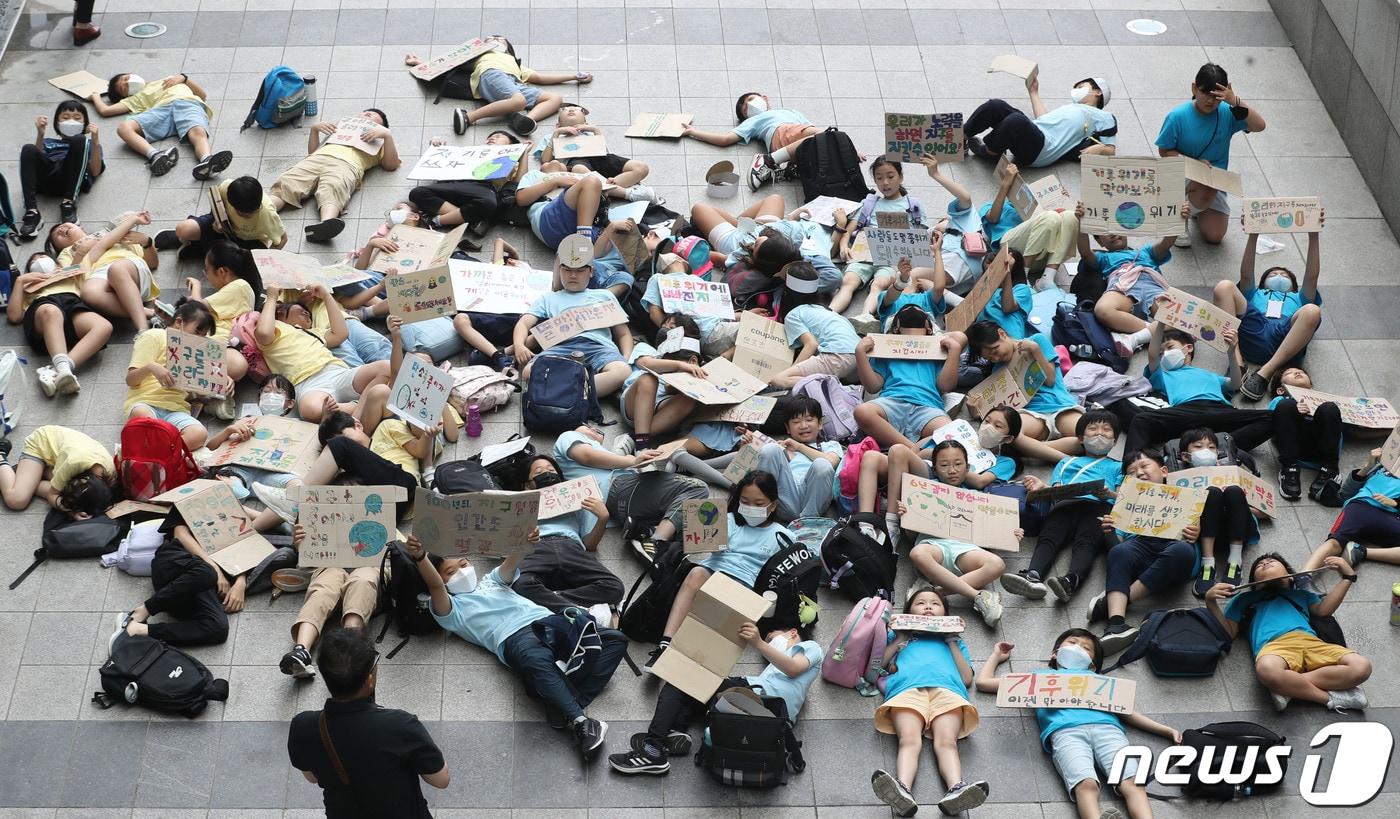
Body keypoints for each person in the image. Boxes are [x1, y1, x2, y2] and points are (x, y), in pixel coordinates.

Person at [405, 533, 625, 760]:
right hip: (515, 637)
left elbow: (512, 561)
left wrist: (526, 540)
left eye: (464, 564)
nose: (462, 572)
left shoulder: (491, 581)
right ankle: (582, 723)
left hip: (551, 621)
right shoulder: (452, 610)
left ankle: (564, 702)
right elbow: (434, 586)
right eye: (451, 572)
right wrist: (421, 557)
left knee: (616, 640)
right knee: (535, 660)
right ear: (442, 580)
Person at [975, 631, 1179, 819]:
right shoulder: (1040, 678)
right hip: (1066, 733)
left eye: (1086, 648)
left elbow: (1128, 713)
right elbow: (984, 683)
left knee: (1133, 782)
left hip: (1108, 730)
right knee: (1086, 784)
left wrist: (1166, 730)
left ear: (1092, 663)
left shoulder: (1099, 680)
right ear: (1055, 653)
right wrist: (996, 656)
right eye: (1072, 643)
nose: (1078, 648)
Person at [610, 620, 822, 776]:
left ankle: (653, 749)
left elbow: (794, 668)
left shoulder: (812, 648)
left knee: (680, 675)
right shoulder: (772, 672)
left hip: (759, 705)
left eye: (771, 637)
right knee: (692, 690)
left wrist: (759, 642)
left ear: (793, 633)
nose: (768, 641)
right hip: (750, 704)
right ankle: (674, 732)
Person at [288, 628, 449, 818]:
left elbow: (312, 777)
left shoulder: (303, 726)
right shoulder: (400, 725)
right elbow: (441, 779)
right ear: (369, 681)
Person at [643, 471, 792, 671]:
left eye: (758, 504)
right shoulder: (726, 519)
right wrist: (702, 537)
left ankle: (694, 658)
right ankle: (665, 644)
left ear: (772, 505)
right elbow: (700, 542)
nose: (750, 508)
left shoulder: (783, 536)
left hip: (745, 588)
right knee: (696, 573)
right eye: (745, 502)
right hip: (713, 574)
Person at [870, 586, 989, 817]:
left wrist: (951, 640)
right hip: (907, 689)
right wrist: (900, 637)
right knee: (908, 739)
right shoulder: (898, 636)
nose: (927, 607)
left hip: (947, 691)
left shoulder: (955, 642)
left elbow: (966, 678)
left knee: (947, 742)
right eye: (920, 603)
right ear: (909, 610)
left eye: (935, 603)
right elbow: (876, 668)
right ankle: (902, 789)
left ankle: (956, 789)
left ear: (945, 612)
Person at [1209, 553, 1370, 713]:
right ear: (1255, 583)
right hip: (1274, 647)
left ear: (1291, 577)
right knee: (1266, 669)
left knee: (1361, 666)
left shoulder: (1302, 595)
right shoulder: (1244, 599)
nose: (1265, 563)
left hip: (1311, 642)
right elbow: (1229, 633)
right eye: (1259, 565)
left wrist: (1348, 576)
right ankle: (1329, 699)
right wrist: (1211, 602)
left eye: (1272, 561)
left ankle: (1286, 687)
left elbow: (1324, 611)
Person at [1088, 449, 1202, 655]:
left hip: (1174, 553)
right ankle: (1116, 624)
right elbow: (1118, 548)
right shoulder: (1125, 505)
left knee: (1182, 550)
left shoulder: (1186, 498)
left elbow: (1193, 533)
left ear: (1164, 470)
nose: (1138, 472)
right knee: (1120, 552)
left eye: (1144, 466)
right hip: (1139, 551)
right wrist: (1110, 531)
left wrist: (1194, 532)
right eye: (1131, 472)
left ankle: (1113, 602)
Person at [1007, 410, 1125, 603]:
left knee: (1087, 543)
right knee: (1049, 536)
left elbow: (1122, 496)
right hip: (1066, 503)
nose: (1100, 434)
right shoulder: (1065, 461)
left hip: (1100, 505)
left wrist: (1109, 494)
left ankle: (1071, 580)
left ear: (1115, 439)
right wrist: (1041, 488)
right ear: (1080, 437)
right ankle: (1032, 575)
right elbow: (1057, 489)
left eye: (1106, 430)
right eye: (1093, 429)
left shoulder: (1119, 467)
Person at [551, 423, 710, 563]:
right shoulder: (568, 436)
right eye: (586, 426)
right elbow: (587, 455)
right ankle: (655, 541)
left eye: (598, 430)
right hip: (620, 487)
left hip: (624, 506)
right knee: (698, 488)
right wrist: (632, 461)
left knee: (690, 515)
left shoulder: (603, 459)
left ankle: (645, 532)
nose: (593, 428)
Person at [1120, 323, 1273, 459]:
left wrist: (1232, 352)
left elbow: (1235, 384)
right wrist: (1161, 321)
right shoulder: (1162, 374)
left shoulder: (1211, 376)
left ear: (1189, 348)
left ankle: (1223, 449)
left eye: (1169, 347)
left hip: (1220, 410)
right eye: (1161, 352)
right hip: (1186, 410)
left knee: (1271, 417)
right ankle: (1131, 468)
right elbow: (1152, 355)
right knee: (1141, 420)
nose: (1164, 354)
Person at [1155, 63, 1266, 246]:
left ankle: (1193, 208)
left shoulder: (1227, 112)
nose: (1210, 101)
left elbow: (1259, 126)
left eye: (1216, 97)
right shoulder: (1177, 116)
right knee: (1206, 184)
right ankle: (1179, 217)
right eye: (1205, 93)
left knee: (1215, 236)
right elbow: (1164, 151)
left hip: (1215, 181)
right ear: (1194, 88)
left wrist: (1235, 101)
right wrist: (1193, 165)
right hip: (1183, 175)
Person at [901, 441, 1010, 627]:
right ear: (934, 469)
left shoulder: (977, 496)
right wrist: (906, 516)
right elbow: (911, 534)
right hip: (933, 546)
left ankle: (934, 592)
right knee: (917, 553)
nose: (952, 470)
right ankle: (978, 596)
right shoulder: (923, 489)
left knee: (997, 564)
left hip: (965, 549)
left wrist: (1010, 533)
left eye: (958, 464)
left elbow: (992, 535)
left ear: (967, 467)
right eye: (944, 465)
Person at [1214, 219, 1324, 401]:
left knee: (1312, 310)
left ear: (1293, 285)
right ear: (1263, 282)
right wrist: (1253, 234)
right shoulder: (1255, 293)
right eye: (1273, 274)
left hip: (1284, 336)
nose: (1279, 276)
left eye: (1284, 275)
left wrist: (1314, 236)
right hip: (1253, 328)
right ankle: (1237, 363)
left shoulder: (1299, 298)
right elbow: (1246, 275)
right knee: (1223, 287)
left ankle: (1265, 373)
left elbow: (1312, 276)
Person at [514, 236, 633, 398]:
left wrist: (625, 358)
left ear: (591, 271)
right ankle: (579, 388)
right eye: (567, 270)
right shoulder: (548, 298)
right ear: (560, 270)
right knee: (529, 371)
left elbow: (624, 333)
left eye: (579, 270)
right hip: (560, 346)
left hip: (598, 347)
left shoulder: (604, 295)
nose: (573, 275)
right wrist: (519, 345)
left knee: (623, 371)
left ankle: (566, 390)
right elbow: (523, 323)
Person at [253, 285, 392, 423]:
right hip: (307, 383)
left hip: (337, 372)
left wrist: (326, 296)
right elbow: (264, 331)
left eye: (308, 313)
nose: (307, 313)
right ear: (281, 312)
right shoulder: (275, 331)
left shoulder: (314, 332)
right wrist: (272, 297)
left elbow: (341, 333)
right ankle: (356, 407)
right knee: (310, 410)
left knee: (386, 368)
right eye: (301, 310)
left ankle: (355, 409)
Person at [511, 454, 624, 617]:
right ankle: (566, 606)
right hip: (536, 547)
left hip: (571, 547)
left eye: (551, 470)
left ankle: (554, 599)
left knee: (614, 587)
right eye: (539, 471)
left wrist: (603, 518)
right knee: (519, 584)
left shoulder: (577, 500)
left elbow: (590, 545)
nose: (547, 473)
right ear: (527, 484)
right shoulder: (519, 505)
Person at [1073, 201, 1186, 357]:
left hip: (1153, 287)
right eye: (1106, 232)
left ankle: (1136, 338)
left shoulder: (1146, 252)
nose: (1113, 234)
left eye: (1116, 228)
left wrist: (1179, 219)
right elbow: (1085, 252)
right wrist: (1081, 223)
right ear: (1099, 241)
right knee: (1102, 310)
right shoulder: (1103, 258)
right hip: (1122, 287)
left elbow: (1166, 243)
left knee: (1180, 320)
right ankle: (1153, 330)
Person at [269, 109, 401, 242]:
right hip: (316, 159)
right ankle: (263, 208)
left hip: (346, 165)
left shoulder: (381, 142)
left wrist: (387, 136)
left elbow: (391, 165)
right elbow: (312, 152)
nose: (368, 113)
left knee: (334, 186)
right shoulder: (340, 129)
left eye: (374, 115)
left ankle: (327, 223)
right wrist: (314, 130)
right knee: (288, 181)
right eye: (365, 112)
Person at [420, 36, 591, 136]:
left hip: (512, 82)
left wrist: (574, 77)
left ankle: (527, 120)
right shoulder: (483, 55)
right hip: (491, 74)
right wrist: (419, 63)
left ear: (508, 49)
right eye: (490, 39)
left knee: (554, 98)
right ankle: (469, 117)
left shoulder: (514, 62)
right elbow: (450, 63)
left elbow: (539, 77)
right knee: (519, 101)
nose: (493, 40)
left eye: (498, 40)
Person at [829, 157, 928, 319]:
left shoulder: (913, 205)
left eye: (890, 176)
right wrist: (844, 246)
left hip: (891, 259)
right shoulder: (869, 203)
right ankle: (829, 313)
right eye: (879, 178)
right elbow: (849, 229)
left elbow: (921, 237)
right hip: (863, 254)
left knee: (879, 284)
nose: (885, 183)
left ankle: (865, 316)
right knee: (848, 280)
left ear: (901, 177)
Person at [853, 305, 960, 450]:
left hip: (927, 408)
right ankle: (912, 448)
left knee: (953, 433)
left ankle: (910, 448)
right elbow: (873, 386)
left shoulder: (937, 350)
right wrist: (860, 353)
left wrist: (954, 351)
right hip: (892, 403)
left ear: (929, 329)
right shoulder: (886, 350)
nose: (912, 310)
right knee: (862, 412)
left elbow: (945, 385)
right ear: (896, 329)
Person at [7, 251, 112, 397]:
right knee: (51, 312)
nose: (39, 261)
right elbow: (14, 316)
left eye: (43, 257)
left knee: (104, 326)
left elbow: (90, 253)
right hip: (43, 308)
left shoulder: (71, 273)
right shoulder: (27, 287)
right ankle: (62, 369)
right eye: (33, 262)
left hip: (72, 304)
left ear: (57, 263)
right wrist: (19, 282)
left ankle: (61, 370)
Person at [88, 72, 230, 179]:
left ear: (131, 73)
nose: (127, 83)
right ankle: (155, 156)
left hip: (186, 102)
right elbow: (105, 110)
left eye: (125, 79)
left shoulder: (170, 78)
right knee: (123, 127)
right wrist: (95, 96)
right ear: (125, 96)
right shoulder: (135, 99)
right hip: (161, 112)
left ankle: (207, 161)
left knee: (197, 131)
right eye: (124, 88)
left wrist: (185, 78)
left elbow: (203, 96)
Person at [124, 300, 222, 451]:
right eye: (197, 332)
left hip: (176, 411)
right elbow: (131, 380)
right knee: (143, 417)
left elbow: (196, 392)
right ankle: (165, 453)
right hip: (147, 403)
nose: (198, 339)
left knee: (199, 433)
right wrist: (151, 367)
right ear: (179, 322)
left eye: (203, 336)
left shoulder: (194, 353)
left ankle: (162, 455)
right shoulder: (155, 335)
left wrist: (219, 382)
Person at [966, 320, 1085, 442]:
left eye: (995, 350)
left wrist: (1036, 351)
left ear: (1002, 334)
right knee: (1011, 436)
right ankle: (1059, 452)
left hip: (1060, 407)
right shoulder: (996, 370)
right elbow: (1000, 410)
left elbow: (1050, 380)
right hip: (1031, 415)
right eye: (990, 358)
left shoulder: (1036, 341)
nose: (996, 358)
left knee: (1086, 435)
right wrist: (975, 410)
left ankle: (1046, 449)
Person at [965, 76, 1117, 166]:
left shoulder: (1104, 117)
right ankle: (962, 136)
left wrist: (1100, 149)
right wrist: (1033, 92)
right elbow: (1043, 119)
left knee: (1016, 120)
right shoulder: (1072, 107)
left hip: (1043, 150)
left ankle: (990, 153)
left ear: (1098, 92)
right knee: (996, 105)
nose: (1077, 90)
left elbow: (1111, 149)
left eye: (1082, 86)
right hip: (1036, 133)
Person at [48, 211, 159, 333]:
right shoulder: (67, 253)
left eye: (63, 225)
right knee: (89, 293)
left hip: (128, 267)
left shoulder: (116, 233)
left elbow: (153, 264)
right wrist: (80, 253)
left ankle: (142, 328)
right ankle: (152, 315)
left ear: (81, 227)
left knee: (116, 270)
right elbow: (70, 274)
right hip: (99, 278)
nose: (60, 228)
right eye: (55, 235)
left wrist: (147, 242)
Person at [1178, 428, 1258, 595]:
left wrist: (1237, 506)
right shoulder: (1180, 481)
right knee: (1212, 492)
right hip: (1204, 531)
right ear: (1186, 456)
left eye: (1211, 447)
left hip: (1239, 529)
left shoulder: (1233, 474)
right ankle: (1208, 565)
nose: (1206, 451)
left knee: (1234, 491)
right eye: (1198, 446)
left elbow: (1263, 511)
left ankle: (1235, 562)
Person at [681, 92, 817, 190]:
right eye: (746, 109)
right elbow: (725, 139)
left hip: (798, 138)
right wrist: (693, 132)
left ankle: (784, 167)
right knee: (826, 137)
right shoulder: (754, 120)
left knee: (823, 148)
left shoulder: (790, 111)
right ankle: (769, 161)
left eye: (751, 99)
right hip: (782, 132)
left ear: (764, 98)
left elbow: (810, 127)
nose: (750, 105)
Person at [533, 103, 659, 204]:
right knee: (579, 168)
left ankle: (604, 190)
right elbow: (545, 161)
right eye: (565, 110)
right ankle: (628, 194)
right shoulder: (551, 136)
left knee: (641, 168)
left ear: (585, 122)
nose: (571, 109)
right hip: (577, 163)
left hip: (601, 159)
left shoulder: (590, 132)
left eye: (577, 109)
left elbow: (604, 152)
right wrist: (557, 134)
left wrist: (595, 130)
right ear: (558, 125)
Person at [1301, 446, 1400, 572]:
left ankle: (1361, 552)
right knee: (1335, 543)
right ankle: (1304, 574)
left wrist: (1396, 503)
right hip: (1361, 507)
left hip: (1390, 517)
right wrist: (1367, 467)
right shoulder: (1382, 464)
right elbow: (1346, 493)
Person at [17, 100, 104, 238]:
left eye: (77, 118)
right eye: (65, 117)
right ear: (57, 122)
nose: (71, 121)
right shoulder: (48, 142)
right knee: (28, 148)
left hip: (72, 178)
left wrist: (95, 140)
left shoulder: (88, 144)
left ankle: (68, 204)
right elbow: (36, 161)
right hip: (49, 177)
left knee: (79, 140)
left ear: (85, 123)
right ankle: (31, 211)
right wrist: (40, 134)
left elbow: (95, 171)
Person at [186, 240, 266, 385]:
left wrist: (196, 287)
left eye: (206, 270)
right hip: (210, 343)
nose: (206, 275)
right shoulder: (237, 288)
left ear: (222, 271)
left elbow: (197, 307)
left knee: (237, 365)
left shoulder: (239, 286)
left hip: (218, 344)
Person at [409, 131, 524, 229]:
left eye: (498, 136)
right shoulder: (470, 154)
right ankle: (472, 221)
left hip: (483, 188)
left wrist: (524, 153)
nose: (492, 138)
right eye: (490, 137)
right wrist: (438, 147)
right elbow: (443, 163)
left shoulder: (511, 162)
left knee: (488, 202)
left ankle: (436, 221)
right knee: (417, 193)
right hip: (455, 184)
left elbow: (520, 180)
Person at [154, 176, 288, 258]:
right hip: (223, 228)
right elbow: (216, 201)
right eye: (239, 211)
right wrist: (216, 219)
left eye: (249, 213)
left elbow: (282, 239)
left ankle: (197, 248)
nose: (244, 215)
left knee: (244, 265)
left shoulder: (267, 215)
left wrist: (267, 259)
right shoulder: (227, 187)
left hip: (250, 241)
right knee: (182, 229)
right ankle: (193, 243)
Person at [755, 396, 842, 522]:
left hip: (815, 501)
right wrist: (781, 453)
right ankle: (761, 506)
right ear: (788, 428)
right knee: (770, 449)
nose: (803, 425)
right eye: (796, 422)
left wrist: (800, 447)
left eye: (809, 419)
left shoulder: (829, 445)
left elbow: (831, 462)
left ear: (820, 424)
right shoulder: (784, 447)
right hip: (787, 497)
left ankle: (808, 521)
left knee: (822, 464)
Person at [0, 425, 114, 518]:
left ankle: (29, 475)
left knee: (65, 490)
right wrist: (71, 512)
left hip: (61, 456)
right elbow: (52, 495)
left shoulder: (109, 474)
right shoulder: (72, 463)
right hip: (41, 445)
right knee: (16, 500)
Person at [1268, 366, 1343, 504]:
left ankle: (1330, 469)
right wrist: (1295, 411)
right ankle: (1289, 470)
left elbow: (1341, 429)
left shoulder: (1325, 404)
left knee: (1330, 408)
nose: (1297, 373)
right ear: (1281, 389)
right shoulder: (1280, 400)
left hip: (1322, 447)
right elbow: (1271, 422)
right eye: (1289, 373)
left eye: (1301, 372)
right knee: (1285, 405)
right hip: (1293, 447)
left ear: (1311, 386)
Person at [773, 284, 859, 390]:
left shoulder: (793, 314)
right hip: (859, 358)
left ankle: (837, 388)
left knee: (779, 379)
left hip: (838, 355)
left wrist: (790, 371)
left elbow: (811, 344)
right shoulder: (826, 310)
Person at [513, 158, 605, 249]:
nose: (555, 161)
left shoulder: (576, 178)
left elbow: (611, 189)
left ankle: (584, 243)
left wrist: (609, 184)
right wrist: (555, 181)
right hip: (549, 219)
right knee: (592, 181)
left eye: (562, 164)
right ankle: (584, 241)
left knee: (615, 234)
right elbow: (521, 198)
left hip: (582, 225)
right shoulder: (535, 174)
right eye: (547, 162)